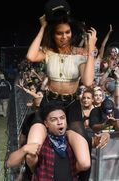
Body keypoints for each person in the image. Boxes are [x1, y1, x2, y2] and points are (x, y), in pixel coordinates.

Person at [26, 0, 97, 173]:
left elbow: (87, 81)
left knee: (85, 161)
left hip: (71, 106)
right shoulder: (48, 52)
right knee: (30, 153)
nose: (64, 37)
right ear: (53, 34)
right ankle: (36, 176)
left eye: (67, 32)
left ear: (72, 33)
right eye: (59, 33)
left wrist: (91, 49)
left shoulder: (80, 54)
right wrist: (43, 27)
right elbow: (30, 55)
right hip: (49, 103)